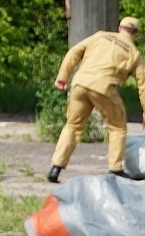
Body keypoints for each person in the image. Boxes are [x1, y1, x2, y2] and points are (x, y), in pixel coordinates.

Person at [47, 16, 145, 183]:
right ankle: (115, 169)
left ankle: (56, 167)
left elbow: (74, 52)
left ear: (119, 28)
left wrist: (63, 75)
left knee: (73, 125)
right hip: (104, 88)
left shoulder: (100, 36)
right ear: (135, 34)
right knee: (118, 128)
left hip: (80, 83)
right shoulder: (134, 54)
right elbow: (143, 85)